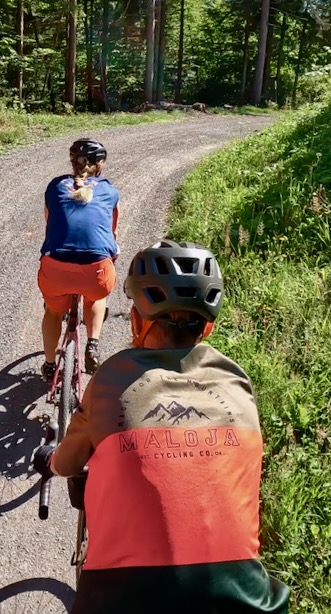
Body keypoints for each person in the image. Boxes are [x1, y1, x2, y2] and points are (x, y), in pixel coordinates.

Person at [33, 239, 290, 614]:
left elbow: (68, 464)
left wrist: (49, 461)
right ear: (208, 327)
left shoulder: (110, 379)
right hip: (243, 598)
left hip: (123, 598)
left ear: (137, 320)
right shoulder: (237, 381)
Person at [38, 138, 119, 378]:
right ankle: (92, 344)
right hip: (95, 267)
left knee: (53, 311)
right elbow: (111, 230)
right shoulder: (108, 189)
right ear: (100, 164)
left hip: (56, 265)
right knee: (96, 296)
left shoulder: (55, 186)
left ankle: (51, 364)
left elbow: (49, 221)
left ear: (73, 162)